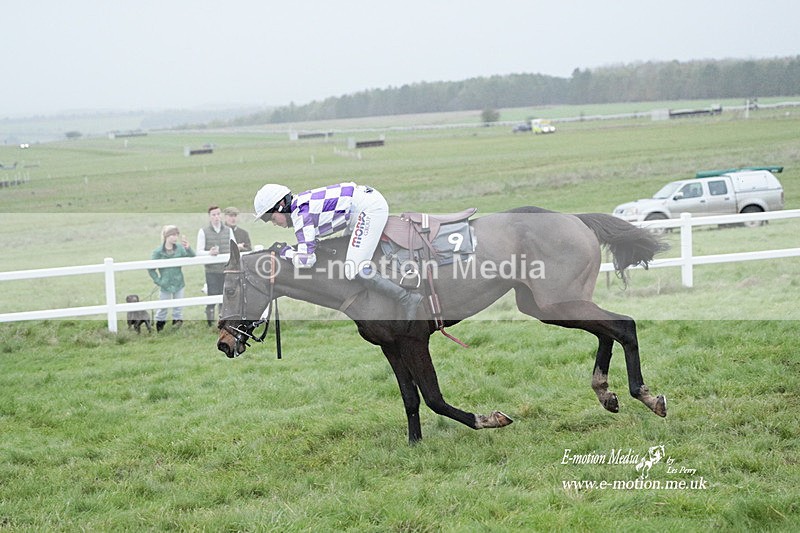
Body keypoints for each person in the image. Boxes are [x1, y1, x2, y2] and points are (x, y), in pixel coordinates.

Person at [253, 182, 422, 321]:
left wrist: (284, 251)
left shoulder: (301, 215)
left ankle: (407, 298)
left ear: (282, 205)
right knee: (346, 256)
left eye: (272, 218)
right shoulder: (300, 206)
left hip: (368, 209)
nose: (274, 223)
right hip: (360, 206)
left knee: (353, 269)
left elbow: (306, 260)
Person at [148, 225, 195, 331]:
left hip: (179, 282)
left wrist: (188, 248)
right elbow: (151, 269)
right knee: (163, 307)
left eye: (176, 235)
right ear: (166, 236)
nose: (175, 237)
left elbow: (192, 255)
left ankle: (176, 328)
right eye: (172, 235)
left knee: (178, 307)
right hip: (165, 284)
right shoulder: (158, 252)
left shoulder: (180, 249)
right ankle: (159, 328)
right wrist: (158, 281)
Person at [196, 206, 236, 326]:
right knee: (212, 295)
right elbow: (199, 251)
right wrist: (209, 253)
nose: (216, 217)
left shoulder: (228, 230)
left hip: (226, 269)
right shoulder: (203, 231)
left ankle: (224, 321)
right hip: (211, 270)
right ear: (210, 217)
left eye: (218, 214)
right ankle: (210, 322)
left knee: (225, 296)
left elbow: (233, 246)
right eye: (214, 215)